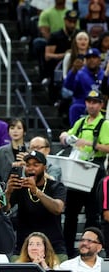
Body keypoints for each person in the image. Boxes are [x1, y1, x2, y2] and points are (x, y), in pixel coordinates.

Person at [59, 90, 109, 258]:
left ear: (101, 105)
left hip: (94, 170)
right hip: (77, 169)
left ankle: (91, 249)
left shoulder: (105, 124)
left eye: (95, 102)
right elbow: (66, 136)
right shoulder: (81, 122)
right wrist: (65, 137)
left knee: (92, 213)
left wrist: (89, 143)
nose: (91, 105)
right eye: (89, 102)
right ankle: (67, 250)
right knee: (71, 213)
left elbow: (108, 147)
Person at [5, 150, 67, 261]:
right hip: (23, 248)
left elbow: (58, 208)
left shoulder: (56, 186)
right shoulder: (20, 187)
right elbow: (5, 208)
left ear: (45, 168)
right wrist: (8, 192)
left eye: (36, 165)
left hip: (53, 248)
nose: (31, 168)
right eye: (27, 165)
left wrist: (36, 191)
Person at [63, 48, 104, 125]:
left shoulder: (104, 74)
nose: (91, 60)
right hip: (82, 104)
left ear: (99, 59)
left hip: (102, 105)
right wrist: (73, 71)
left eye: (94, 57)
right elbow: (67, 88)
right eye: (88, 58)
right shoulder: (79, 73)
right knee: (74, 108)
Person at [0, 118, 27, 184]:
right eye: (12, 128)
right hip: (6, 187)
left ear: (24, 132)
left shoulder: (30, 150)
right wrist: (12, 165)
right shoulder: (2, 151)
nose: (15, 131)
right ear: (8, 132)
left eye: (19, 128)